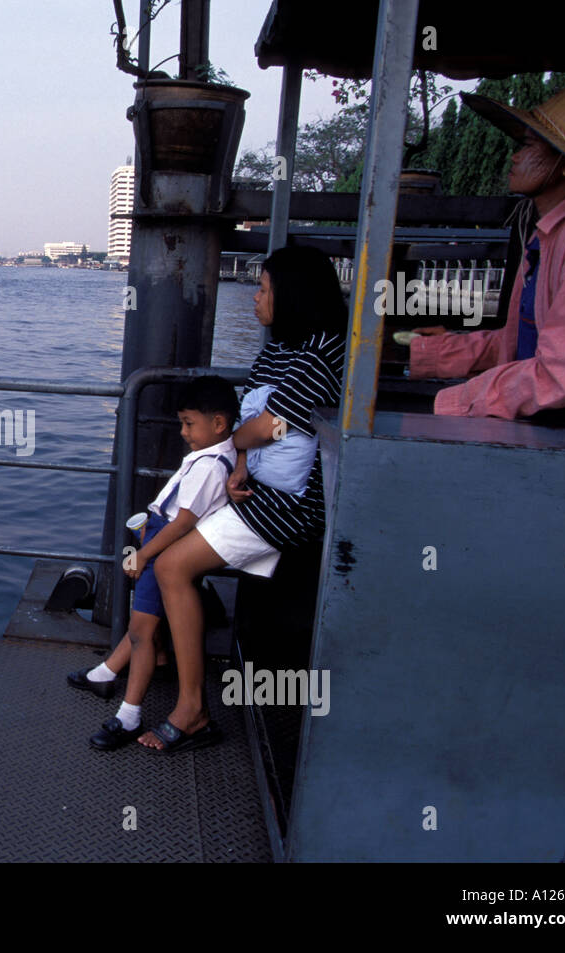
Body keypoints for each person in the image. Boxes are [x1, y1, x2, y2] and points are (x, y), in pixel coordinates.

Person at [139, 245, 346, 753]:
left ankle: (192, 711)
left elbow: (269, 424)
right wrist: (238, 464)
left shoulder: (324, 353)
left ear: (291, 295)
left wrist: (245, 444)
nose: (256, 298)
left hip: (292, 505)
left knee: (170, 566)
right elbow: (247, 425)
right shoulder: (280, 349)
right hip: (255, 485)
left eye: (264, 289)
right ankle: (145, 656)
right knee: (160, 528)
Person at [403, 78, 565, 429]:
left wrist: (464, 399)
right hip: (551, 422)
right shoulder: (551, 234)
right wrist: (432, 351)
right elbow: (519, 344)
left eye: (528, 146)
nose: (515, 156)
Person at [66, 376, 238, 750]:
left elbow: (183, 522)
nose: (183, 432)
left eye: (189, 424)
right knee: (145, 624)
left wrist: (144, 553)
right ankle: (105, 673)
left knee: (143, 630)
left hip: (163, 543)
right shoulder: (214, 456)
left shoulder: (211, 466)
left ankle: (129, 715)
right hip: (161, 537)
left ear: (219, 424)